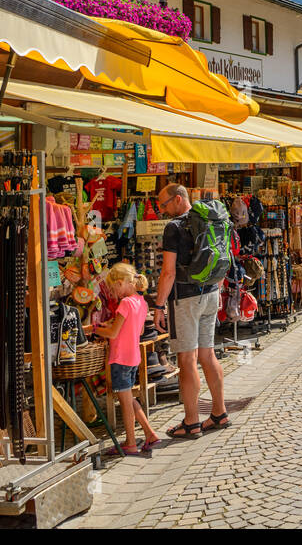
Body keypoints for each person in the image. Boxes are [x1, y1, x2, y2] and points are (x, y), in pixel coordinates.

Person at [155, 184, 229, 438]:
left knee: (187, 360)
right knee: (207, 355)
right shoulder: (210, 218)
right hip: (210, 294)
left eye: (163, 205)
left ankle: (191, 421)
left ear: (178, 199)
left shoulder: (174, 227)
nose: (161, 210)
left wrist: (158, 306)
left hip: (184, 299)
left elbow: (168, 272)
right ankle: (219, 413)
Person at [95, 263, 159, 455]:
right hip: (133, 357)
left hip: (120, 358)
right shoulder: (141, 301)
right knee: (129, 399)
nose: (115, 293)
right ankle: (150, 434)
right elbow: (137, 330)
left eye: (115, 288)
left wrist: (97, 329)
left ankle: (130, 442)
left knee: (125, 402)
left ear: (122, 282)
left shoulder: (125, 303)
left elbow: (114, 333)